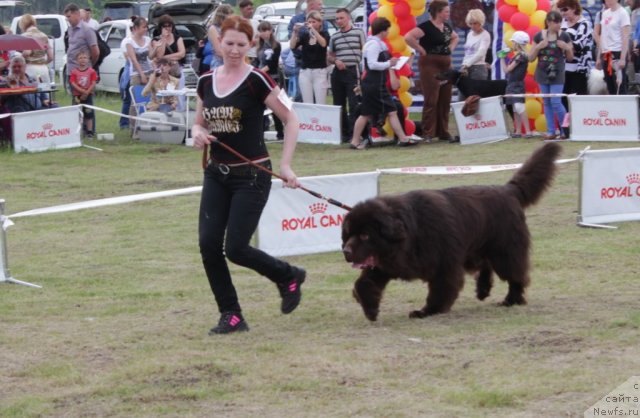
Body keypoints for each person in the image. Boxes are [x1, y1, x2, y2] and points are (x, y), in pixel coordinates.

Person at [191, 15, 306, 335]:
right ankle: (231, 314)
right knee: (208, 244)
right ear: (220, 43)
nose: (234, 50)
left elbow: (291, 120)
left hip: (252, 176)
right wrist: (198, 132)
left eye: (242, 45)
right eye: (229, 44)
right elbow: (199, 122)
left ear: (250, 45)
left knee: (236, 248)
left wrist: (285, 166)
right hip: (216, 173)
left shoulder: (258, 80)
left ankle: (287, 276)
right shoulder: (205, 81)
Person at [349, 17, 418, 150]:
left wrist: (390, 61)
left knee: (367, 113)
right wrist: (389, 63)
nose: (388, 33)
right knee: (390, 110)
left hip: (372, 83)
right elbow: (372, 65)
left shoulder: (374, 43)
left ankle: (355, 141)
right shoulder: (374, 45)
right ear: (382, 31)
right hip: (375, 83)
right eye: (387, 30)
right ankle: (403, 138)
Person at [405, 0, 459, 143]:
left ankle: (443, 131)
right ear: (438, 12)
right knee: (432, 98)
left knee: (445, 98)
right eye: (446, 11)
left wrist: (450, 50)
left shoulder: (446, 27)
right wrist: (421, 49)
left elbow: (455, 37)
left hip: (446, 65)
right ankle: (428, 132)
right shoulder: (426, 27)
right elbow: (408, 37)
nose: (448, 13)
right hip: (430, 64)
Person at [529, 10, 574, 140]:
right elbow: (531, 58)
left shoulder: (564, 36)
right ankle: (551, 131)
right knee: (547, 103)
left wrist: (567, 48)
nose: (559, 24)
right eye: (556, 22)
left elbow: (570, 58)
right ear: (548, 22)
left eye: (560, 21)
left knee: (556, 101)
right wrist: (538, 47)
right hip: (542, 73)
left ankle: (566, 129)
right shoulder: (539, 36)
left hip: (558, 73)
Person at [328, 7, 366, 143]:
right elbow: (330, 56)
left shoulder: (359, 32)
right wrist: (335, 60)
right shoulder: (335, 36)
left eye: (341, 18)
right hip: (338, 72)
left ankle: (354, 133)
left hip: (353, 70)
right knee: (338, 104)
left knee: (354, 103)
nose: (339, 21)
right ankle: (343, 133)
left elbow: (365, 51)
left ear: (348, 18)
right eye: (337, 19)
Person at [64, 3, 99, 137]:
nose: (68, 19)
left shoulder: (87, 30)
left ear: (77, 14)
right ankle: (79, 131)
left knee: (88, 103)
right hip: (72, 72)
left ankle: (90, 131)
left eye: (69, 16)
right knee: (76, 102)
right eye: (66, 17)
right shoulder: (70, 30)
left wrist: (89, 66)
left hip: (85, 73)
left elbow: (95, 51)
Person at [559, 0, 594, 109]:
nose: (563, 12)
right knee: (563, 99)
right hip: (563, 68)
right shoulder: (562, 23)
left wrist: (563, 45)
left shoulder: (585, 23)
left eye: (565, 9)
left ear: (574, 8)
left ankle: (578, 124)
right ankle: (567, 125)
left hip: (579, 68)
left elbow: (579, 45)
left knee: (577, 100)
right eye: (561, 10)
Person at [289, 10, 329, 104]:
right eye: (309, 22)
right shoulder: (304, 35)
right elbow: (292, 46)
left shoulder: (324, 34)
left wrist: (313, 30)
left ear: (320, 23)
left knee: (320, 102)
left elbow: (323, 44)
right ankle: (307, 119)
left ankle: (321, 118)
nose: (311, 24)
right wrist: (295, 32)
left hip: (319, 72)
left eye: (314, 22)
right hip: (305, 71)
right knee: (307, 102)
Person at [124, 16, 153, 135]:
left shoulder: (148, 40)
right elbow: (134, 60)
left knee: (152, 99)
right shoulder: (129, 41)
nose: (145, 29)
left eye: (146, 27)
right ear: (135, 28)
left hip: (150, 71)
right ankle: (134, 129)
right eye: (143, 27)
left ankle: (150, 126)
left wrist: (157, 47)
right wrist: (142, 75)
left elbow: (151, 56)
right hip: (136, 73)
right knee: (135, 101)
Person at [256, 20, 284, 140]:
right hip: (261, 75)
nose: (264, 33)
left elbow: (273, 64)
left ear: (271, 31)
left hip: (272, 76)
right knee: (259, 105)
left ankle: (280, 132)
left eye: (266, 30)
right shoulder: (260, 46)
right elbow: (258, 61)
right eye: (261, 31)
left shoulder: (276, 45)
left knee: (275, 105)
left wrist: (260, 72)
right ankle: (259, 132)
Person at [596, 0, 630, 94]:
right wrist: (599, 56)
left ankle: (623, 107)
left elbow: (625, 36)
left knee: (620, 85)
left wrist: (623, 58)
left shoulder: (622, 13)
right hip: (606, 52)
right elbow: (603, 35)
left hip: (617, 51)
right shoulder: (605, 13)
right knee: (609, 84)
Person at [502, 31, 532, 138]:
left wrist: (501, 58)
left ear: (517, 43)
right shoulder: (518, 56)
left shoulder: (521, 56)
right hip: (512, 84)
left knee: (519, 107)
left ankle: (528, 131)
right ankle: (518, 131)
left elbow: (507, 70)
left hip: (517, 84)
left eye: (513, 42)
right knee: (515, 109)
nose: (512, 44)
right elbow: (507, 70)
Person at [459, 9, 490, 99]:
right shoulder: (469, 34)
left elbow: (481, 53)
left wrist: (467, 64)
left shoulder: (485, 35)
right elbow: (467, 52)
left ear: (480, 22)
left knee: (475, 98)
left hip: (478, 68)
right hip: (466, 67)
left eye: (475, 23)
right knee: (461, 97)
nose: (472, 26)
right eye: (471, 23)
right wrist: (464, 65)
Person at [69, 49, 97, 138]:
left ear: (88, 59)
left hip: (88, 96)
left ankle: (89, 132)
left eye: (85, 58)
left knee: (89, 114)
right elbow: (73, 83)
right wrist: (82, 91)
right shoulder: (74, 72)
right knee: (77, 113)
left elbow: (93, 82)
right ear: (77, 60)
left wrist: (87, 92)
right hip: (77, 96)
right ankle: (77, 132)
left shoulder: (91, 71)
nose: (83, 60)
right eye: (80, 58)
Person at [17, 14, 53, 84]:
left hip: (30, 68)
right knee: (45, 92)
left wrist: (20, 58)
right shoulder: (44, 35)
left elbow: (27, 53)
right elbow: (51, 57)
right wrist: (43, 62)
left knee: (32, 93)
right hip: (43, 68)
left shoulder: (26, 36)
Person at [206, 4, 234, 70]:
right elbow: (218, 51)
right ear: (223, 15)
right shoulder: (213, 28)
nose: (232, 16)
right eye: (230, 14)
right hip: (219, 64)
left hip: (231, 63)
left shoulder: (230, 27)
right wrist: (234, 59)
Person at [238, 0, 260, 65]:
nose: (251, 11)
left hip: (255, 57)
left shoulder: (256, 23)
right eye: (248, 9)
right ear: (241, 9)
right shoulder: (237, 23)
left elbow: (259, 38)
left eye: (252, 9)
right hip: (243, 57)